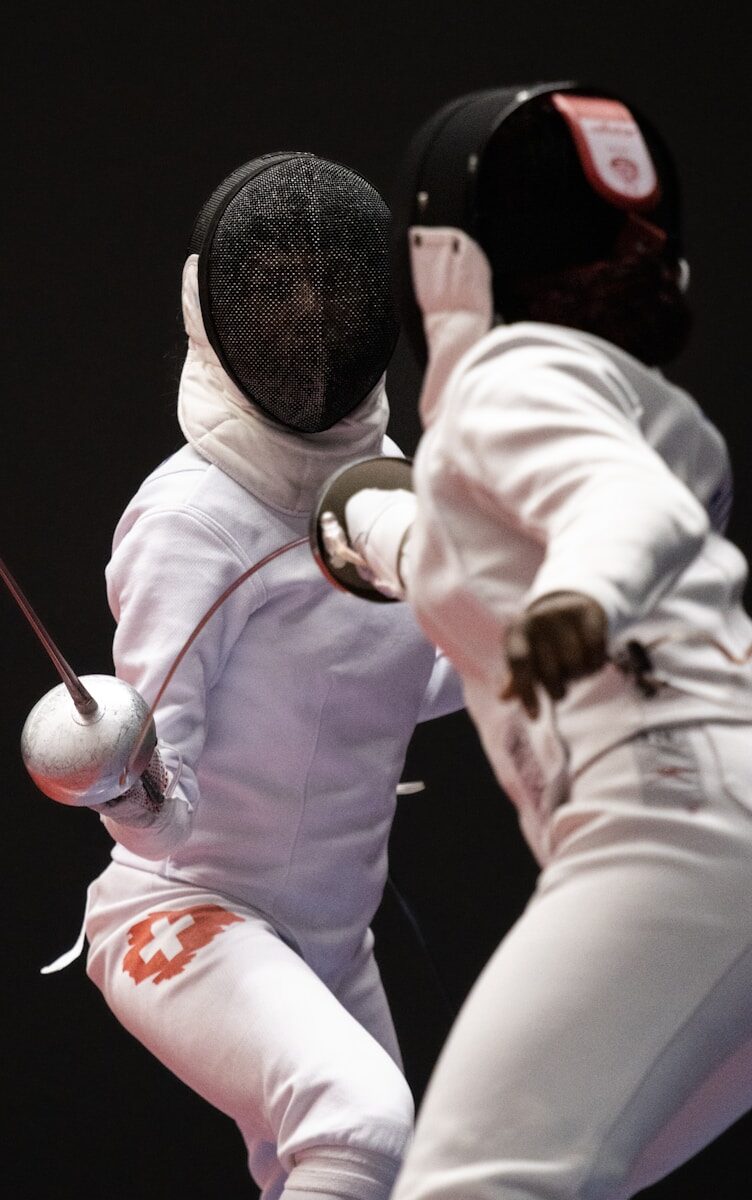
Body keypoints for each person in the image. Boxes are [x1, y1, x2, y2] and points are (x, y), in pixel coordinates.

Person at [337, 84, 752, 1199]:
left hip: (676, 825)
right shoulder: (617, 399)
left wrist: (574, 603)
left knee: (469, 1186)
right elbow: (488, 539)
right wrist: (368, 527)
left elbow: (617, 513)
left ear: (442, 258)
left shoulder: (505, 379)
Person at [81, 151, 463, 1200]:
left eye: (328, 288)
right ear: (218, 309)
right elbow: (159, 815)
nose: (306, 322)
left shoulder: (387, 493)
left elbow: (392, 688)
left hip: (331, 937)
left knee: (396, 1172)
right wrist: (123, 774)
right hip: (189, 914)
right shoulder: (191, 518)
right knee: (362, 1125)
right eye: (277, 293)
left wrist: (514, 642)